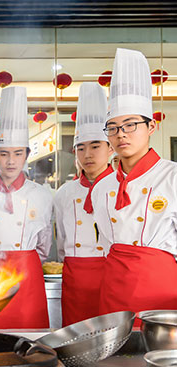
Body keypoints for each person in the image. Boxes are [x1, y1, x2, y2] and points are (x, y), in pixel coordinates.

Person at [91, 48, 177, 324]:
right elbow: (106, 242)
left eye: (130, 125)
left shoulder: (172, 176)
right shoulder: (102, 188)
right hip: (114, 289)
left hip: (162, 292)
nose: (121, 135)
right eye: (113, 128)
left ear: (151, 127)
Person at [0, 86, 52, 329]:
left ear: (26, 154)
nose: (11, 161)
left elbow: (44, 245)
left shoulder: (41, 195)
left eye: (17, 153)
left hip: (28, 277)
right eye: (4, 154)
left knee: (28, 337)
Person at [54, 82, 114, 326]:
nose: (88, 154)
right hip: (74, 278)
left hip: (111, 275)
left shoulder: (123, 188)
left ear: (111, 148)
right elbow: (61, 242)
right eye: (81, 148)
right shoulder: (64, 193)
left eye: (96, 146)